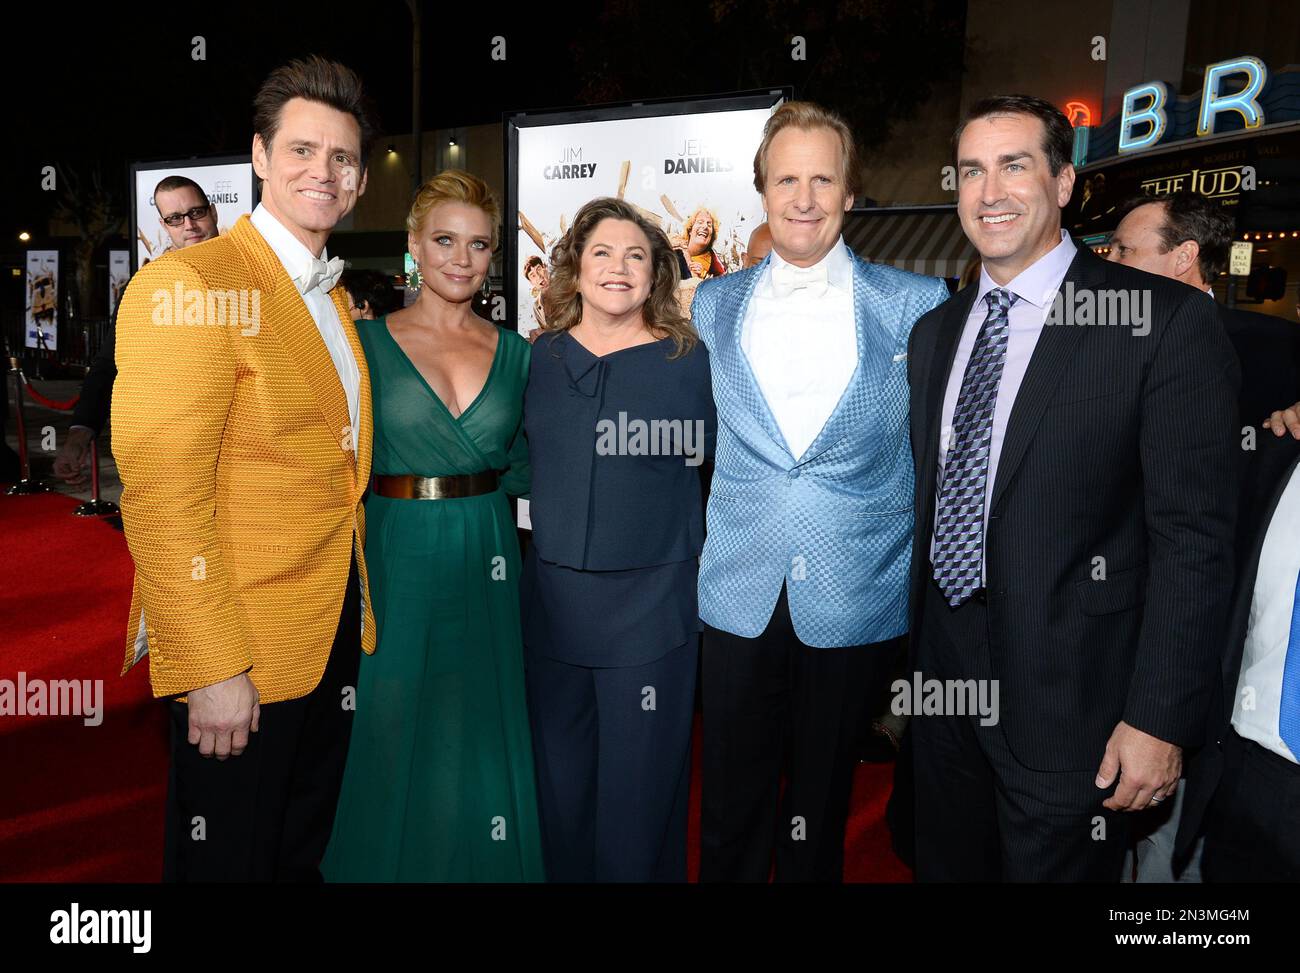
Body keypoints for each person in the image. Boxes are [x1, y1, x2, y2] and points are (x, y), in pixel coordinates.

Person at [905, 94, 1239, 882]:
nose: (990, 192)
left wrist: (1160, 718)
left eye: (1015, 166)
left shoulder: (1161, 321)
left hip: (1077, 703)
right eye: (972, 171)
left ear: (1063, 183)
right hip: (944, 686)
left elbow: (1194, 539)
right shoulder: (935, 332)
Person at [112, 55, 378, 882]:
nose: (321, 172)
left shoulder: (332, 297)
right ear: (259, 158)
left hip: (327, 632)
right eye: (301, 150)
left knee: (296, 858)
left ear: (362, 179)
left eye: (340, 158)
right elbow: (160, 494)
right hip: (243, 657)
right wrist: (211, 665)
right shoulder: (190, 283)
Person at [693, 101, 949, 883]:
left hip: (854, 590)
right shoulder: (710, 304)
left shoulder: (917, 305)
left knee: (823, 795)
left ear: (848, 192)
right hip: (738, 589)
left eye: (822, 179)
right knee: (731, 797)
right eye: (786, 179)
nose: (803, 198)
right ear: (762, 192)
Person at [322, 170, 543, 882]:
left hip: (488, 552)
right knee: (392, 722)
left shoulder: (518, 354)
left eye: (478, 244)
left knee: (478, 725)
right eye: (444, 239)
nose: (461, 257)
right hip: (395, 549)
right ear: (414, 246)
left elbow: (529, 466)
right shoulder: (361, 344)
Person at [1107, 190, 1300, 882]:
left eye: (1125, 249)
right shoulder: (1099, 345)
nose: (1110, 261)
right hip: (1113, 636)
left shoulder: (1273, 352)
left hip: (1221, 653)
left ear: (1185, 255)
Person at [522, 196, 715, 882]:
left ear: (656, 272)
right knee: (561, 789)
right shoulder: (538, 357)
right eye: (602, 252)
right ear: (575, 266)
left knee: (639, 797)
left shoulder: (689, 360)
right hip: (552, 607)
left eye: (636, 255)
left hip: (651, 610)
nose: (618, 267)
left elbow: (718, 470)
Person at [53, 176, 219, 485]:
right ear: (164, 225)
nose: (189, 225)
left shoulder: (253, 278)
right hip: (173, 454)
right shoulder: (143, 288)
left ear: (213, 212)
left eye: (196, 213)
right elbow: (108, 365)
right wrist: (78, 438)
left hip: (249, 456)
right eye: (175, 218)